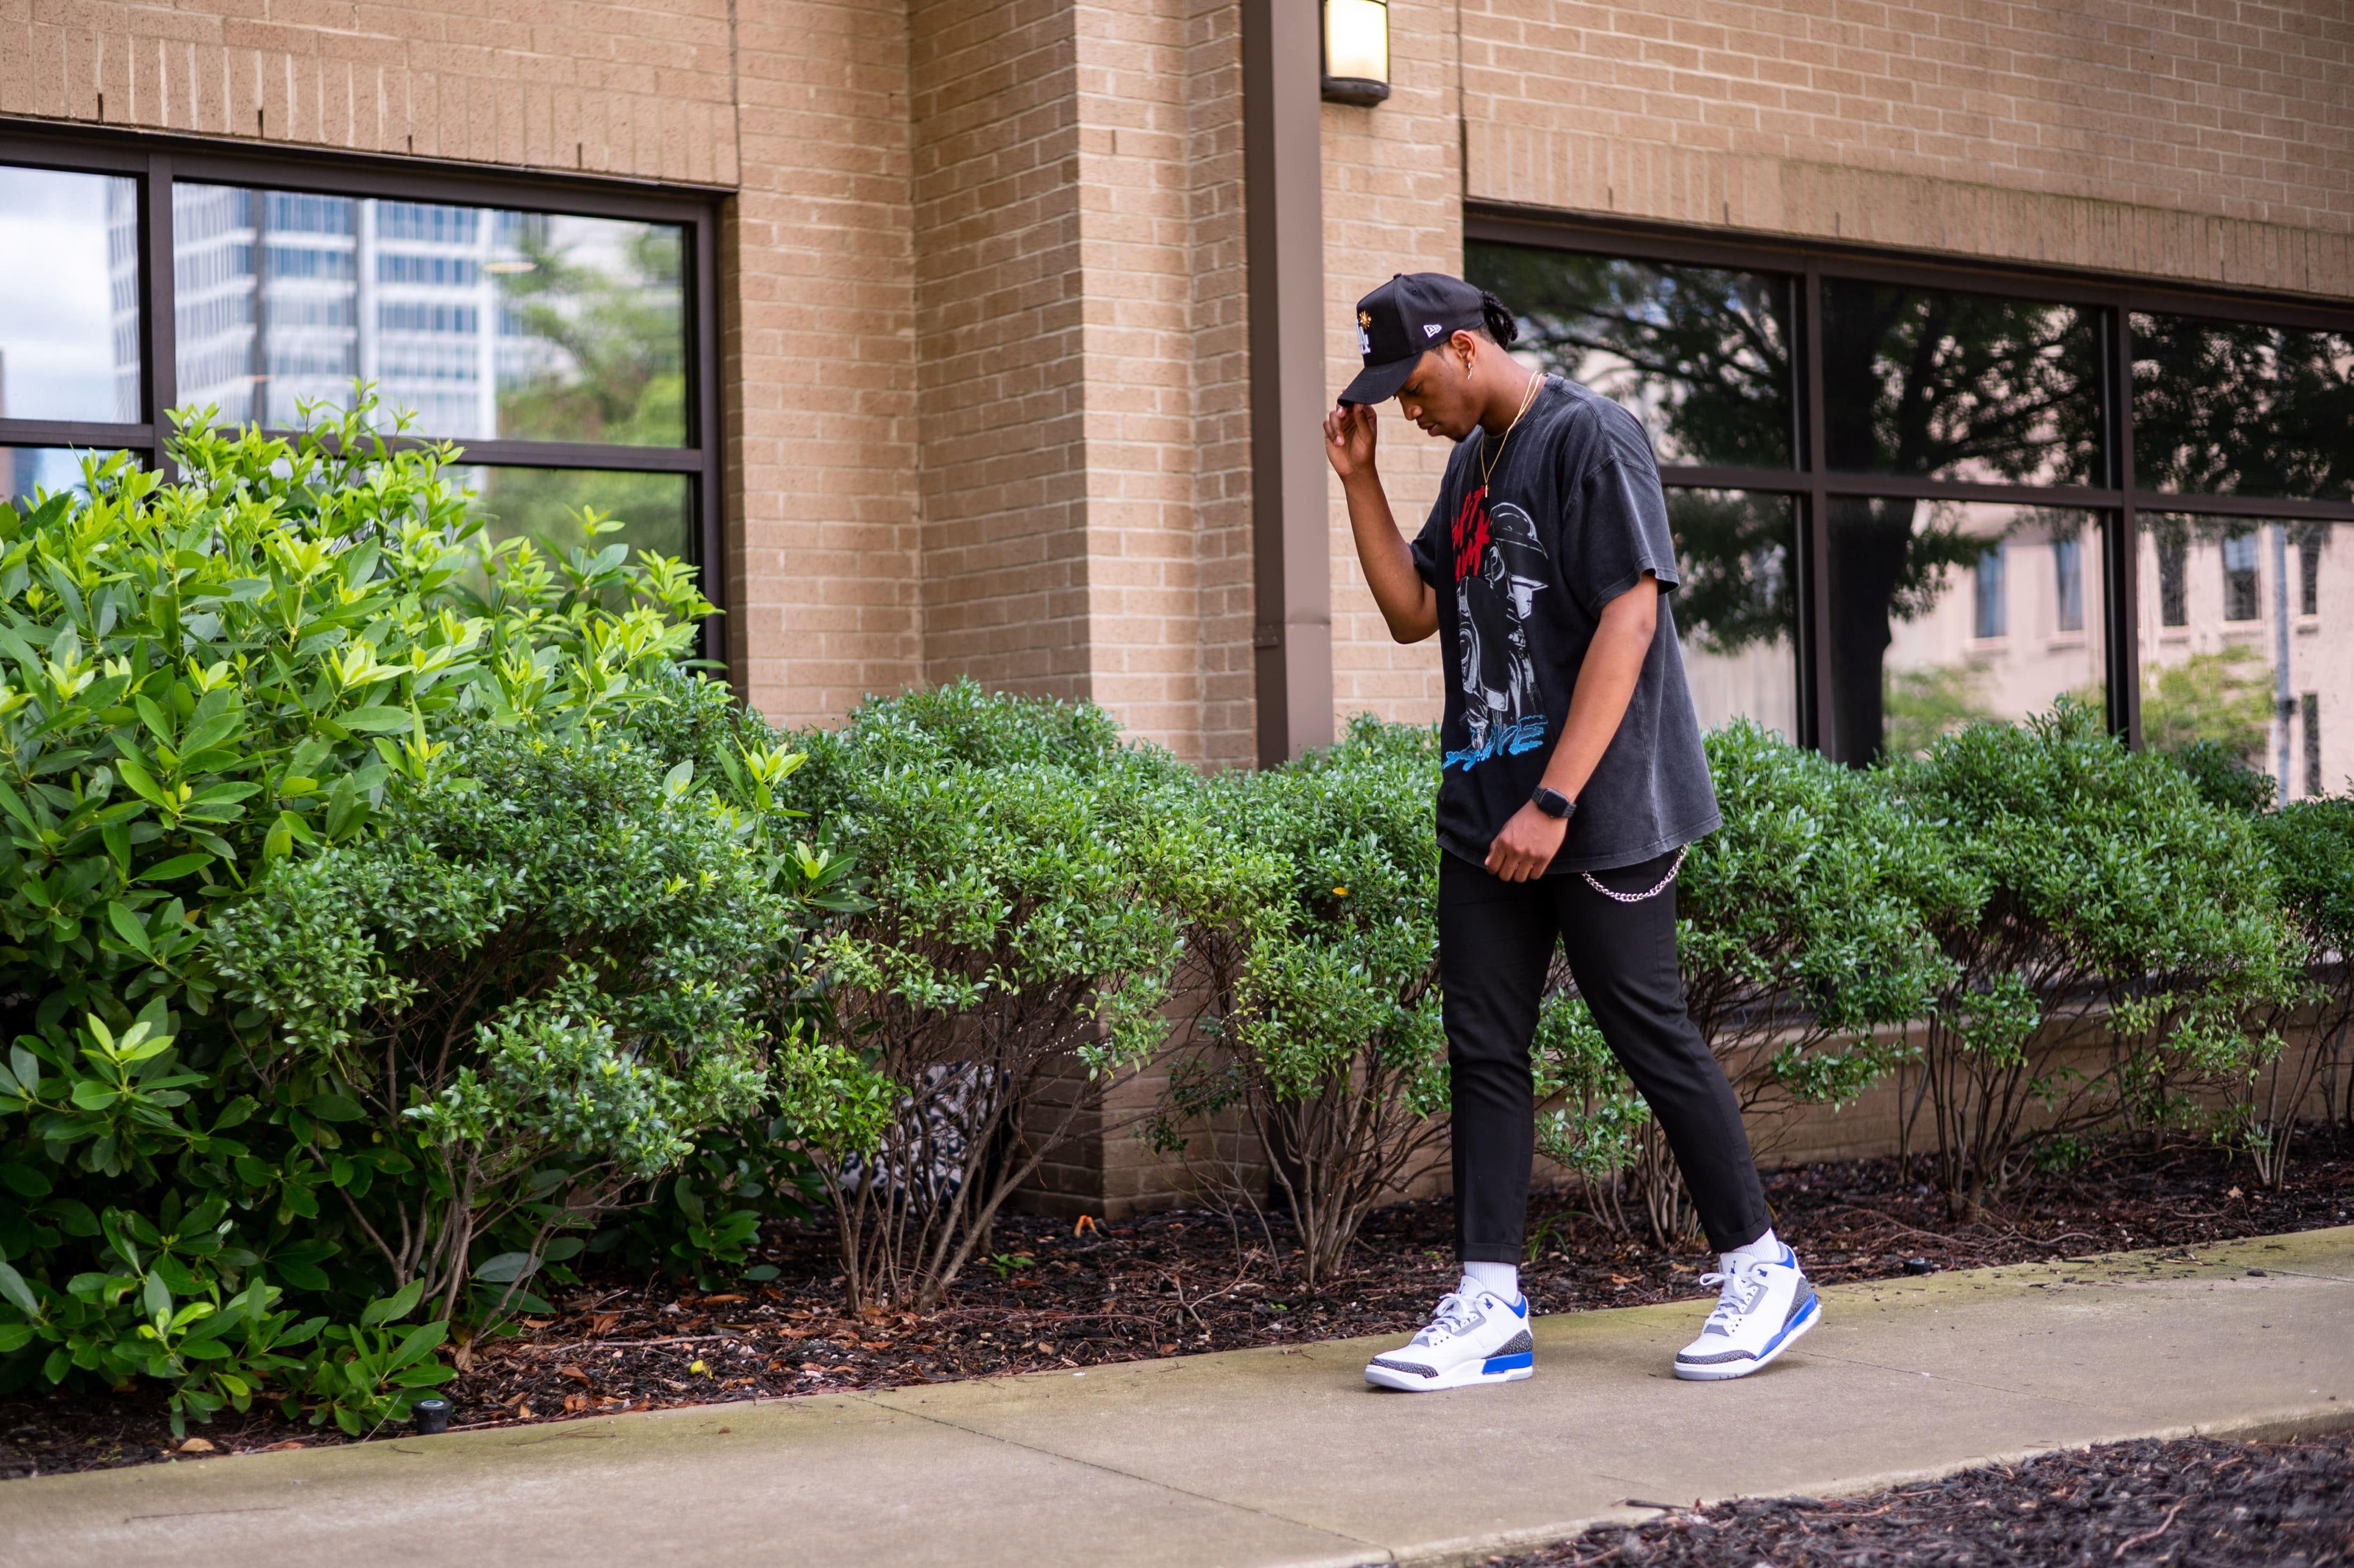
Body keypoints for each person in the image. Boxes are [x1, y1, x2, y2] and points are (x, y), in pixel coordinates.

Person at [1323, 272, 1818, 1389]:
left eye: (1409, 386)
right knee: (1484, 1052)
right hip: (1483, 810)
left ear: (1458, 348)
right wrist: (1356, 484)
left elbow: (1632, 613)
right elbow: (1415, 615)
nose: (1404, 409)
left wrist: (1554, 800)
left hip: (1597, 813)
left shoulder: (1591, 437)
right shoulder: (1468, 464)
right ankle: (1488, 1303)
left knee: (1649, 1032)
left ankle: (1761, 1267)